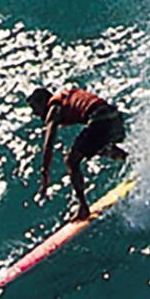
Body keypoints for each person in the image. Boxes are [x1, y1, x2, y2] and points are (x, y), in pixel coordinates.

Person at [28, 84, 128, 220]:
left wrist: (45, 172)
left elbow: (49, 142)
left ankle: (83, 208)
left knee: (71, 161)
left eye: (35, 108)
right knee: (97, 146)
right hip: (114, 116)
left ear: (43, 101)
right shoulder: (66, 96)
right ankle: (132, 161)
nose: (35, 113)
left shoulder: (54, 108)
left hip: (100, 119)